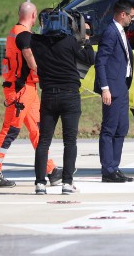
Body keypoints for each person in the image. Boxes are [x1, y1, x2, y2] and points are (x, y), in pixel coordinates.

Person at [0, 2, 61, 188]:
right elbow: (28, 54)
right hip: (19, 90)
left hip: (28, 89)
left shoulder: (16, 32)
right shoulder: (22, 34)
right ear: (34, 15)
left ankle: (50, 170)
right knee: (10, 130)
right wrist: (42, 70)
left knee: (38, 129)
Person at [31, 12, 95, 195]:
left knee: (44, 141)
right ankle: (67, 183)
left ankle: (40, 183)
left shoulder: (37, 43)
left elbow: (26, 38)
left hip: (48, 96)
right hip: (70, 96)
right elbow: (90, 59)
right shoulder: (69, 42)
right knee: (70, 141)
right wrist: (86, 39)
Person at [95, 0, 134, 183]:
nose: (132, 20)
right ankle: (108, 170)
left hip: (122, 86)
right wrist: (105, 88)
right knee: (109, 129)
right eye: (131, 16)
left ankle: (115, 167)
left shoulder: (120, 31)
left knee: (122, 128)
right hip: (112, 88)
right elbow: (100, 61)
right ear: (122, 14)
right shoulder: (110, 33)